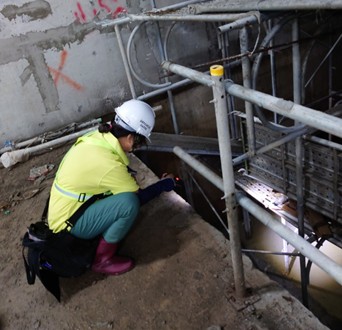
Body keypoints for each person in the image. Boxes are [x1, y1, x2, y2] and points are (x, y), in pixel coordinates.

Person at [47, 99, 175, 276]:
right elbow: (137, 197)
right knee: (129, 204)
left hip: (63, 209)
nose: (135, 147)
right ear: (130, 139)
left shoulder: (97, 138)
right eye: (137, 142)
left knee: (120, 194)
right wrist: (164, 185)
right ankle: (102, 260)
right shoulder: (109, 164)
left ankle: (98, 235)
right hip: (68, 226)